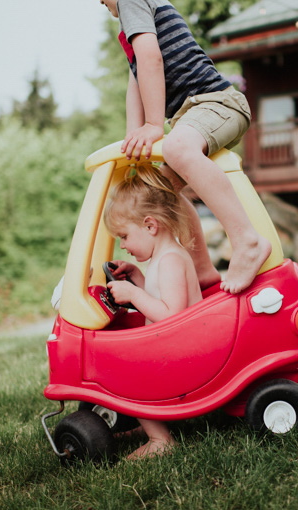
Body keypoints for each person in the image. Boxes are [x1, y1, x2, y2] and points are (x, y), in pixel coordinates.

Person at [89, 0, 272, 294]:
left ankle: (247, 240)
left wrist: (154, 126)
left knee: (175, 147)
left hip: (217, 103)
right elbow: (137, 76)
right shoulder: (143, 7)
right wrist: (133, 136)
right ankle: (202, 268)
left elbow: (150, 60)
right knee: (159, 191)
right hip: (199, 113)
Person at [102, 163, 202, 458]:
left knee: (126, 370)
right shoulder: (165, 256)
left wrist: (132, 293)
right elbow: (161, 298)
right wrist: (137, 276)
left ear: (149, 225)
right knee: (130, 360)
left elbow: (171, 316)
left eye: (124, 236)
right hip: (180, 348)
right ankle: (151, 423)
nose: (122, 245)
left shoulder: (171, 260)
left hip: (188, 356)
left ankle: (160, 439)